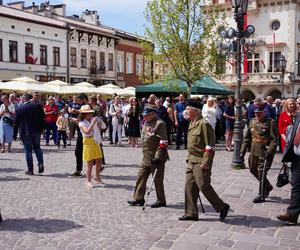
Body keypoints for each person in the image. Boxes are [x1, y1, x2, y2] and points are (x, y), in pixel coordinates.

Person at [178, 101, 230, 222]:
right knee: (189, 186)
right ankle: (191, 213)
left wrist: (206, 162)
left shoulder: (204, 124)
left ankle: (222, 206)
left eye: (188, 109)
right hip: (191, 161)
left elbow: (210, 146)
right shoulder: (192, 123)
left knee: (203, 186)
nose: (186, 111)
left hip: (201, 161)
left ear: (195, 110)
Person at [128, 104, 169, 208]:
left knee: (157, 180)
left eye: (147, 115)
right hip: (146, 156)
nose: (144, 117)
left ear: (153, 114)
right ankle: (139, 198)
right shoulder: (147, 122)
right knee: (141, 176)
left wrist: (158, 156)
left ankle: (161, 200)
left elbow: (163, 141)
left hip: (156, 157)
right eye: (144, 115)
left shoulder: (160, 124)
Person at [240, 100, 278, 203]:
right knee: (253, 170)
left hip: (264, 151)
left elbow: (275, 140)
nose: (257, 114)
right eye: (256, 113)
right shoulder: (252, 121)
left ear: (264, 112)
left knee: (261, 172)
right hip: (253, 150)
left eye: (259, 113)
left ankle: (261, 194)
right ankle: (267, 185)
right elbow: (247, 138)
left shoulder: (271, 122)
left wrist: (269, 153)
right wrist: (242, 152)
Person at [277, 112, 300, 224]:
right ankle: (292, 215)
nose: (297, 105)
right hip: (297, 157)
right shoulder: (298, 116)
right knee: (296, 186)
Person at [15, 93, 45, 175]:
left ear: (24, 99)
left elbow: (17, 122)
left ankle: (30, 170)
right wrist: (43, 128)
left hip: (25, 132)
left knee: (28, 151)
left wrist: (14, 135)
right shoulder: (37, 106)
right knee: (37, 148)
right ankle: (41, 163)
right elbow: (43, 118)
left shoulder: (20, 108)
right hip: (37, 131)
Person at [78, 105, 103, 188]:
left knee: (99, 159)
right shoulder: (81, 123)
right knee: (90, 163)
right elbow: (87, 132)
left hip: (94, 140)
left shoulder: (91, 120)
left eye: (90, 113)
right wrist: (93, 123)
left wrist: (97, 123)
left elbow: (100, 128)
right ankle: (88, 181)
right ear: (83, 115)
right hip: (87, 141)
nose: (90, 114)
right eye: (87, 113)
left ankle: (96, 176)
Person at [69, 93, 89, 178]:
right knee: (81, 151)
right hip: (83, 132)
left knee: (79, 151)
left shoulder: (86, 107)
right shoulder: (85, 107)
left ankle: (78, 170)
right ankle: (79, 170)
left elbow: (82, 121)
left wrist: (74, 120)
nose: (79, 103)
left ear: (84, 99)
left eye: (80, 101)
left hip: (84, 133)